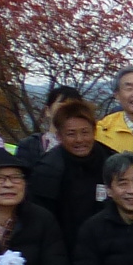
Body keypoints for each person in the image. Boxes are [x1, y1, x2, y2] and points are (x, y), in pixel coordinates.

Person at [30, 100, 117, 249]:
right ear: (59, 136)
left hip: (109, 246)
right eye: (71, 134)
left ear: (94, 131)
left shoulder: (111, 161)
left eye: (85, 132)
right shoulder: (47, 170)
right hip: (64, 248)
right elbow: (41, 222)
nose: (79, 140)